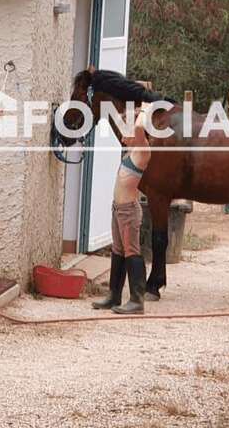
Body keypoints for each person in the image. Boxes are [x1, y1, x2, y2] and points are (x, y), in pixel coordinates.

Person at [92, 103, 152, 314]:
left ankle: (137, 300)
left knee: (131, 251)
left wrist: (145, 108)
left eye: (127, 132)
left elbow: (137, 128)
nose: (123, 136)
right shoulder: (130, 149)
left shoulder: (143, 150)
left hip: (129, 211)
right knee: (117, 251)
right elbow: (121, 122)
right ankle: (113, 295)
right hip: (117, 209)